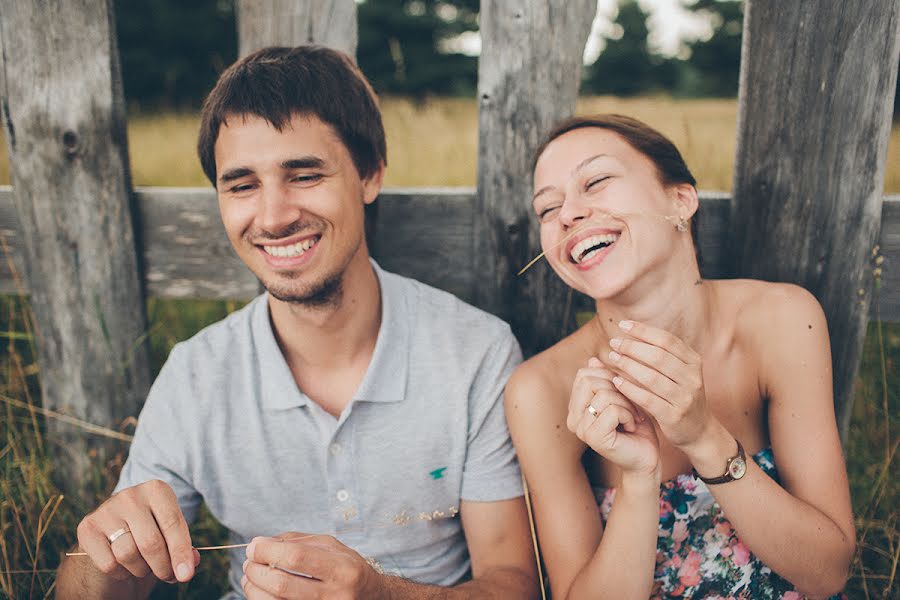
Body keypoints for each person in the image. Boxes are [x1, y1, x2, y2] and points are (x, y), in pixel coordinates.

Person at [56, 46, 538, 600]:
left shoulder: (474, 353)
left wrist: (383, 595)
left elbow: (512, 585)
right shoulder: (197, 373)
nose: (274, 216)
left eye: (304, 175)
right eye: (241, 185)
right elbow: (93, 587)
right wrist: (104, 555)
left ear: (370, 175)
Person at [504, 114, 855, 599]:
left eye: (597, 181)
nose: (568, 215)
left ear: (680, 200)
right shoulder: (541, 390)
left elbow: (829, 572)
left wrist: (704, 436)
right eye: (548, 209)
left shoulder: (783, 319)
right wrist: (638, 480)